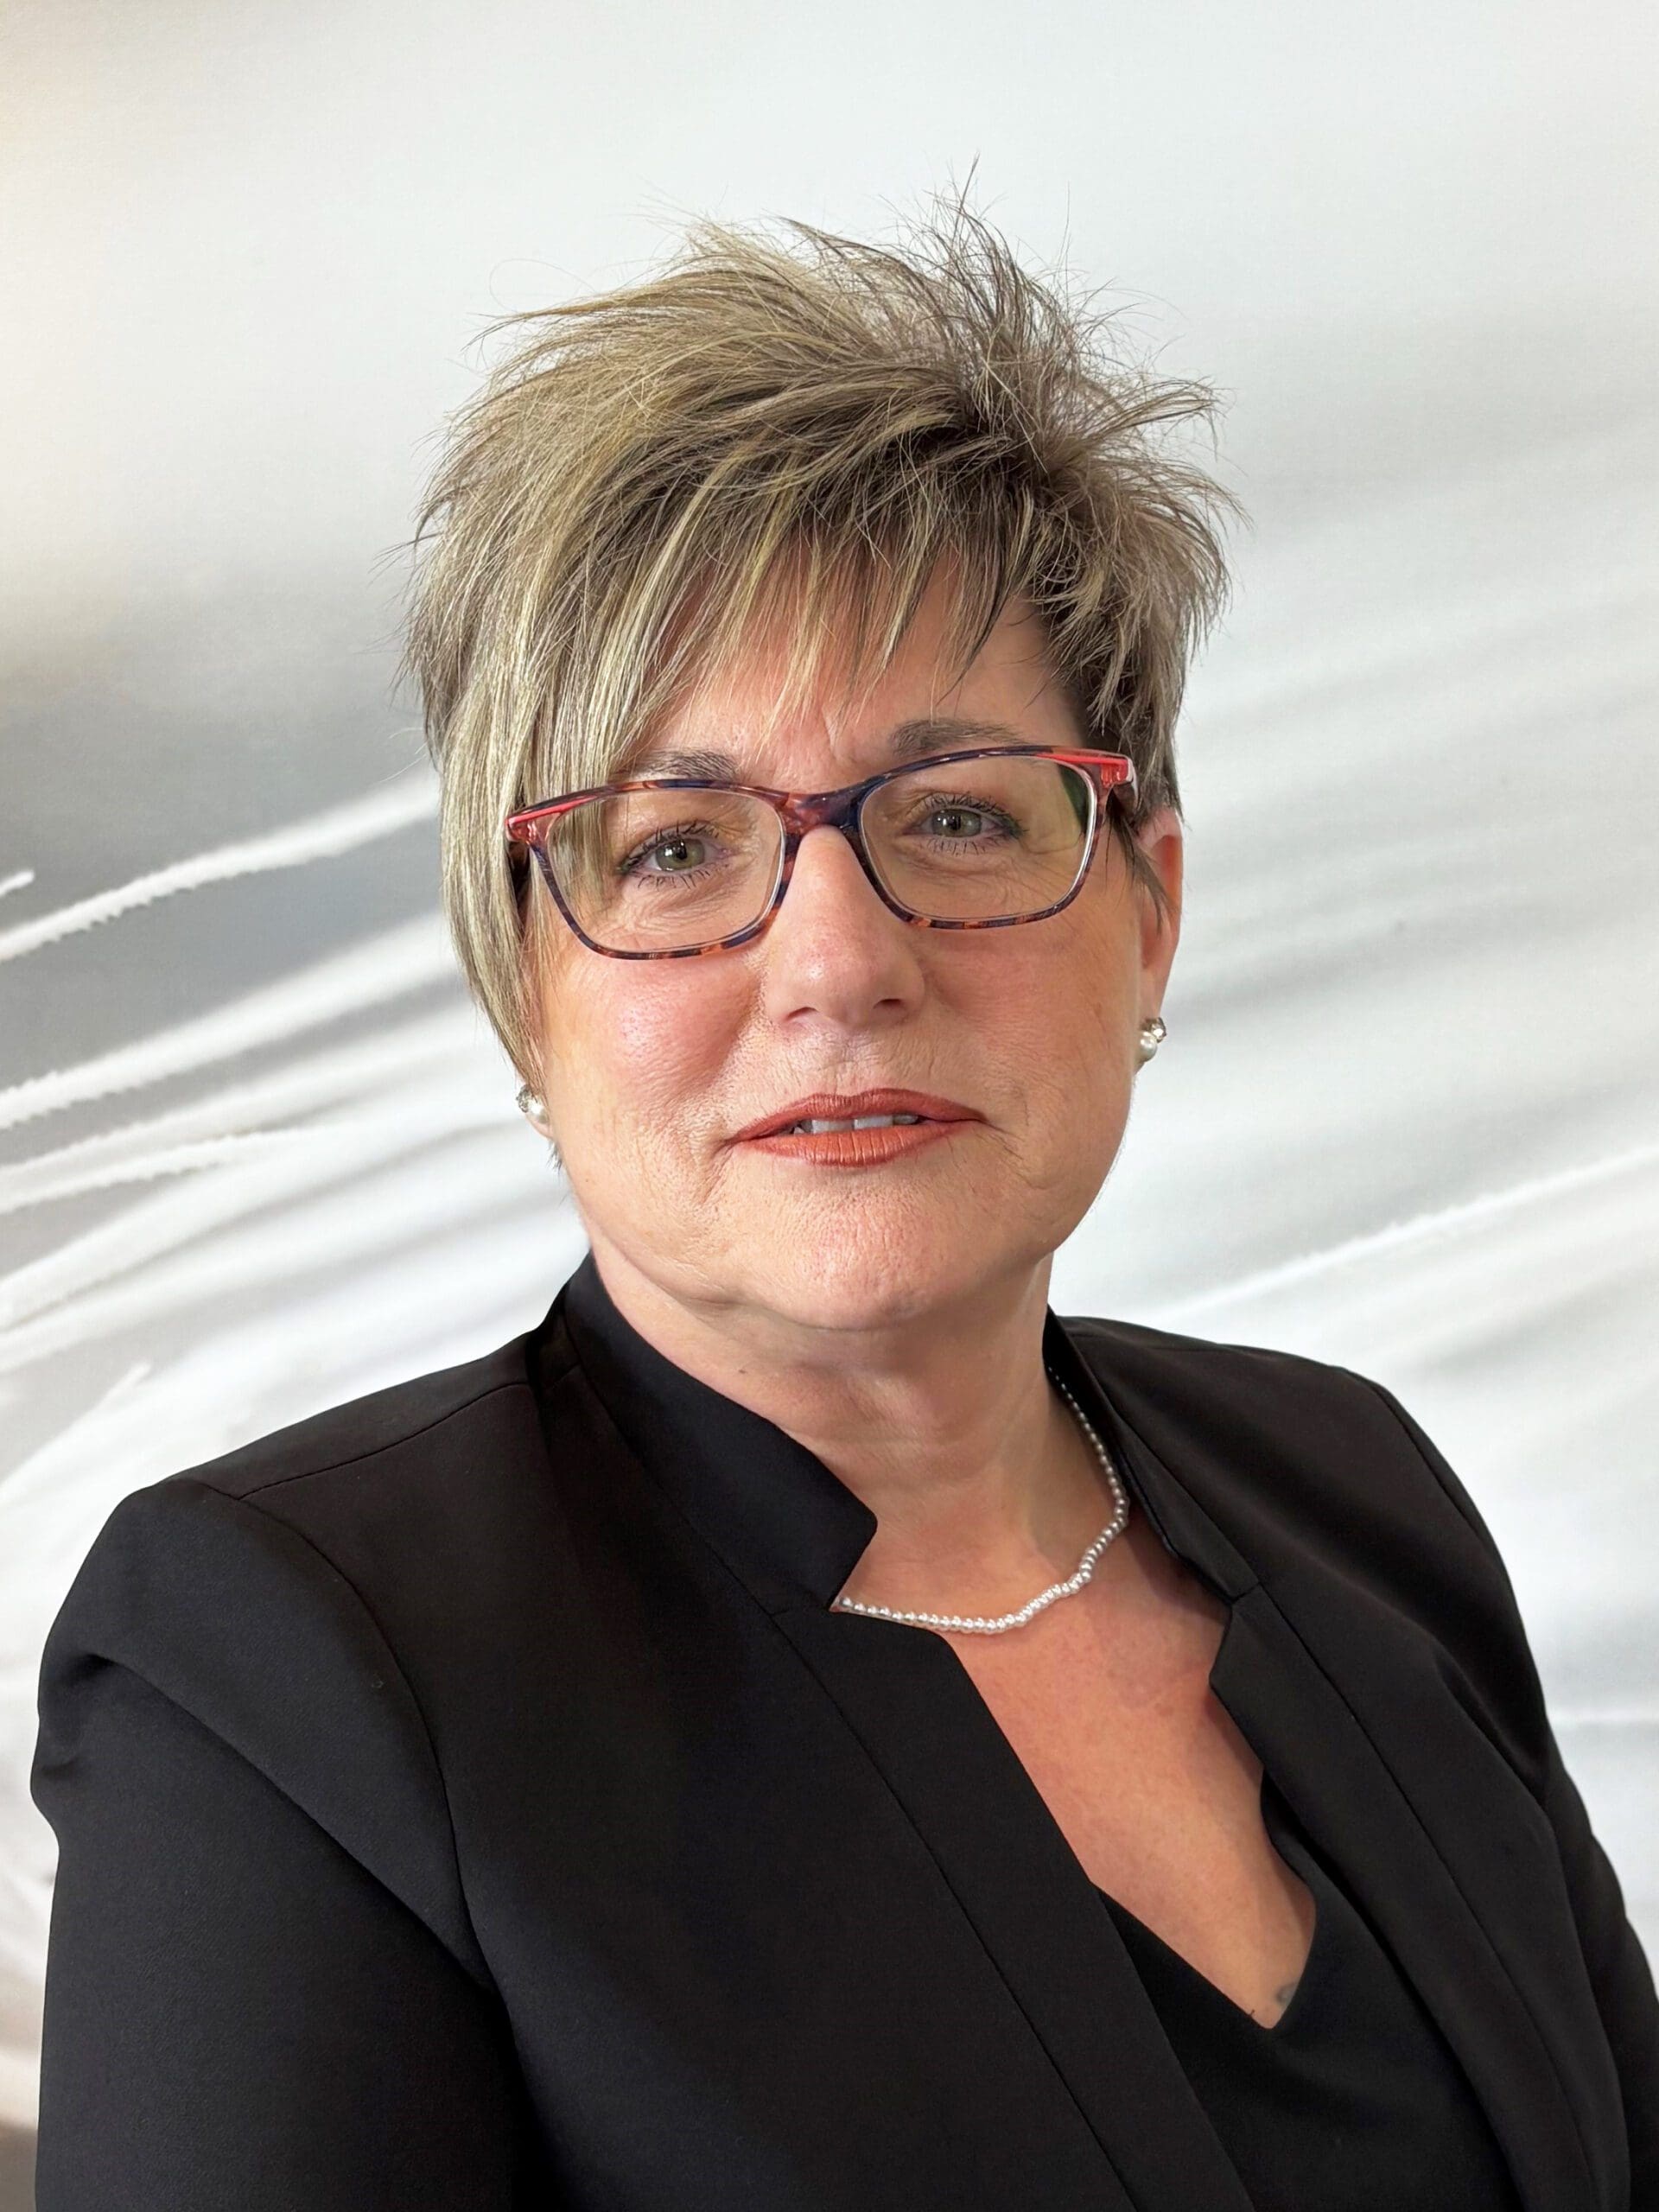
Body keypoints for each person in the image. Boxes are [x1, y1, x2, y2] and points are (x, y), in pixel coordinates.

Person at [29, 204, 1657, 2211]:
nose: (837, 960)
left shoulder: (1355, 1489)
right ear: (523, 974)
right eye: (675, 843)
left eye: (959, 813)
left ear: (1150, 907)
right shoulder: (287, 1672)